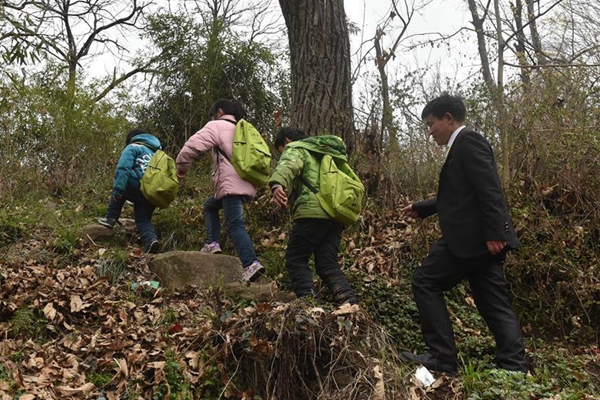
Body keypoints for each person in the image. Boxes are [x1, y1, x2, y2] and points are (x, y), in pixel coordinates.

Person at [400, 94, 528, 374]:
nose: (430, 131)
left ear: (448, 118)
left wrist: (496, 232)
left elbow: (489, 188)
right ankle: (514, 365)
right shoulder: (462, 147)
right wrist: (422, 208)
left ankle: (442, 357)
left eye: (431, 124)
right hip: (479, 241)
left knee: (425, 282)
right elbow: (459, 195)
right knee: (492, 301)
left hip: (472, 239)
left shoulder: (468, 141)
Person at [175, 99, 265, 282]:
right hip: (248, 182)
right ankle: (212, 243)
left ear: (220, 112)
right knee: (210, 206)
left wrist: (181, 167)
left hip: (231, 185)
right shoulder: (245, 130)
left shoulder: (217, 125)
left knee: (234, 225)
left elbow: (192, 146)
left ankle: (251, 263)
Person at [269, 127, 357, 305]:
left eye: (281, 150)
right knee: (327, 264)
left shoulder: (296, 148)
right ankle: (349, 304)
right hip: (336, 214)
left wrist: (277, 184)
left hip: (312, 212)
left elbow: (289, 164)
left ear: (286, 141)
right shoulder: (329, 153)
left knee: (296, 258)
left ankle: (308, 304)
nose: (282, 153)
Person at [98, 128, 161, 253]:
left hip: (135, 184)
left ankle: (110, 218)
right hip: (152, 191)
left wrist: (118, 190)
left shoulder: (133, 147)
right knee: (143, 219)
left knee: (121, 187)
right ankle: (151, 240)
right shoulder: (157, 155)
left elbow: (123, 168)